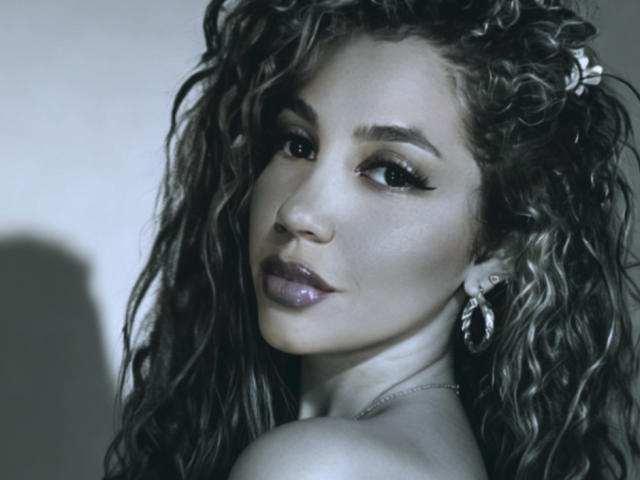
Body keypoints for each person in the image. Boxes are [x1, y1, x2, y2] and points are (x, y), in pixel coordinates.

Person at [103, 1, 640, 479]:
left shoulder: (318, 467)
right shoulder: (428, 453)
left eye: (391, 173)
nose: (298, 212)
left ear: (499, 250)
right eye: (298, 144)